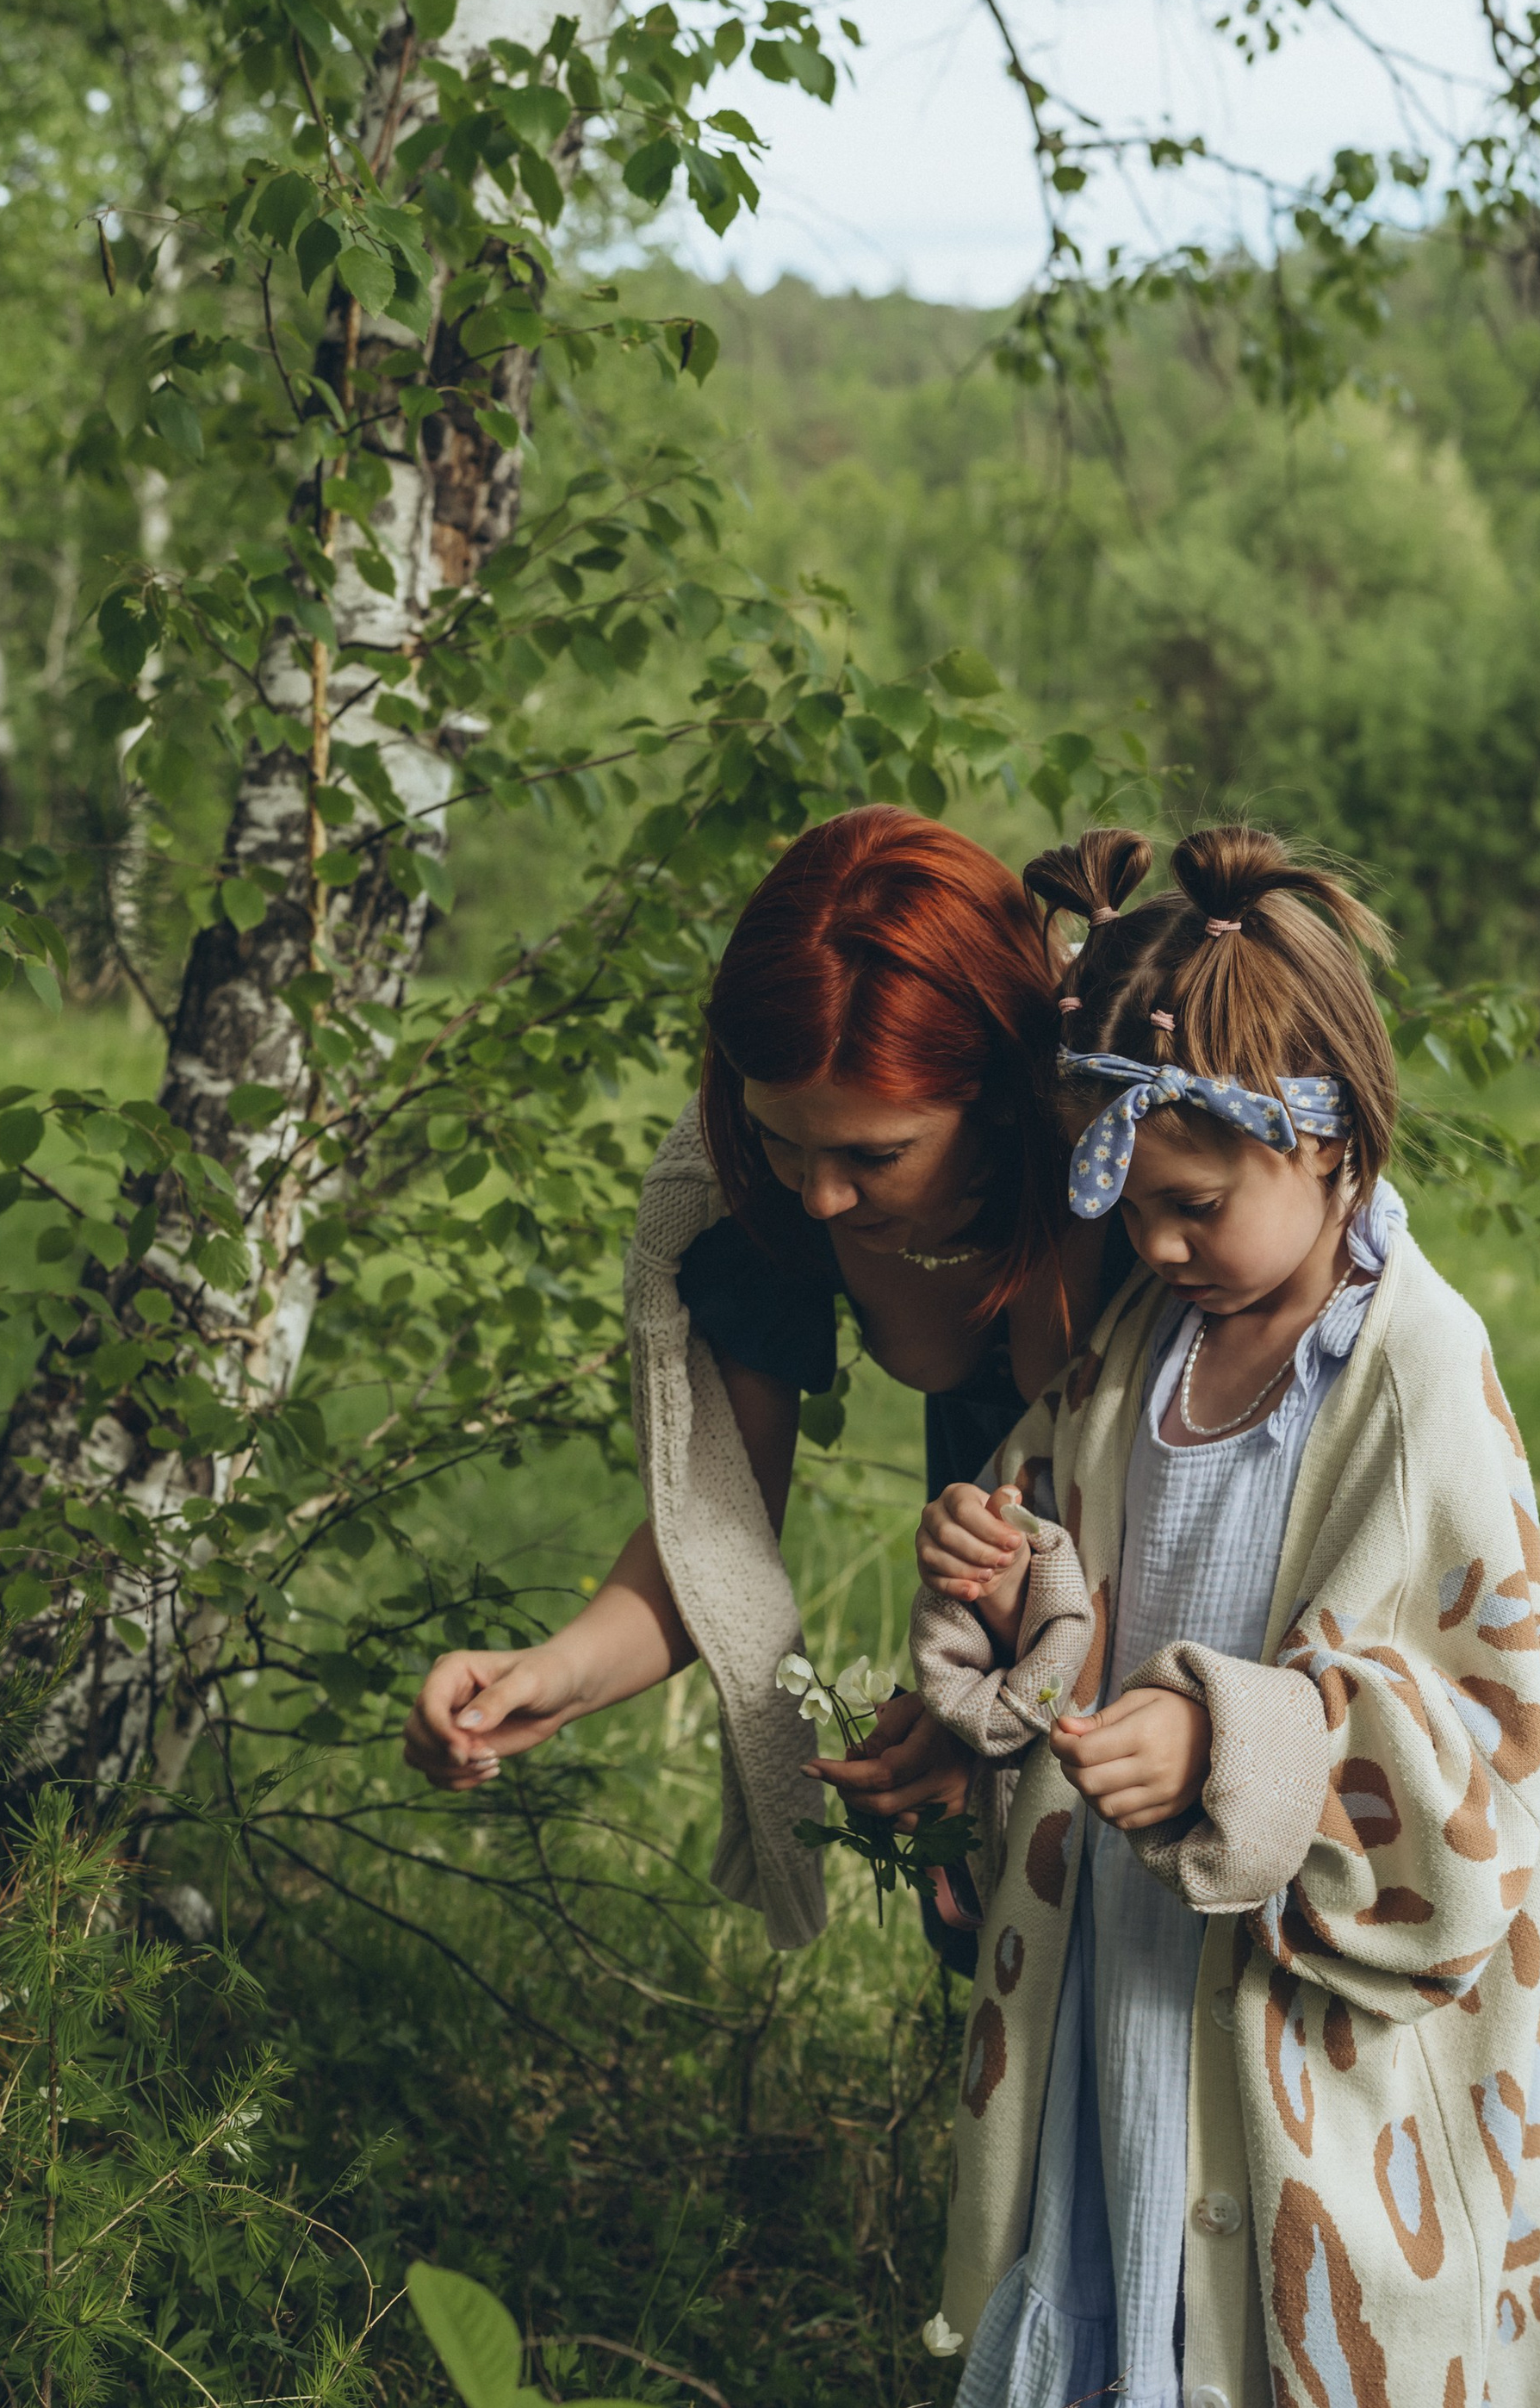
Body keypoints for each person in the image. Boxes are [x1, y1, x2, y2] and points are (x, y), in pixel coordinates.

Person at [908, 824, 1540, 2408]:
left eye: (1202, 1204)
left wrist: (1231, 1734)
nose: (1167, 1244)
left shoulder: (1412, 1378)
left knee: (1321, 2387)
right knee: (1162, 2302)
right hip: (1141, 1968)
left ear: (1331, 1140)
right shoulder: (1144, 1339)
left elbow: (1480, 1725)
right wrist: (1014, 1570)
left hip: (1310, 2011)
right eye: (1136, 1205)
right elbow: (1083, 1568)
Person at [401, 804, 1115, 1954]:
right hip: (994, 1601)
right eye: (783, 1139)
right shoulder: (741, 1199)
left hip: (1183, 1622)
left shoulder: (1147, 1165)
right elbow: (717, 1537)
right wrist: (551, 1676)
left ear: (1002, 1090)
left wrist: (1011, 1701)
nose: (820, 1197)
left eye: (873, 1156)